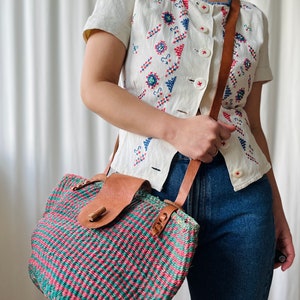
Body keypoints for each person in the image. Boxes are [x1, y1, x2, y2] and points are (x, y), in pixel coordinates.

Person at [80, 0, 295, 298]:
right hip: (142, 191)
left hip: (242, 197)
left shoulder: (252, 18)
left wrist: (277, 210)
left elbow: (253, 124)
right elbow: (94, 86)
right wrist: (176, 130)